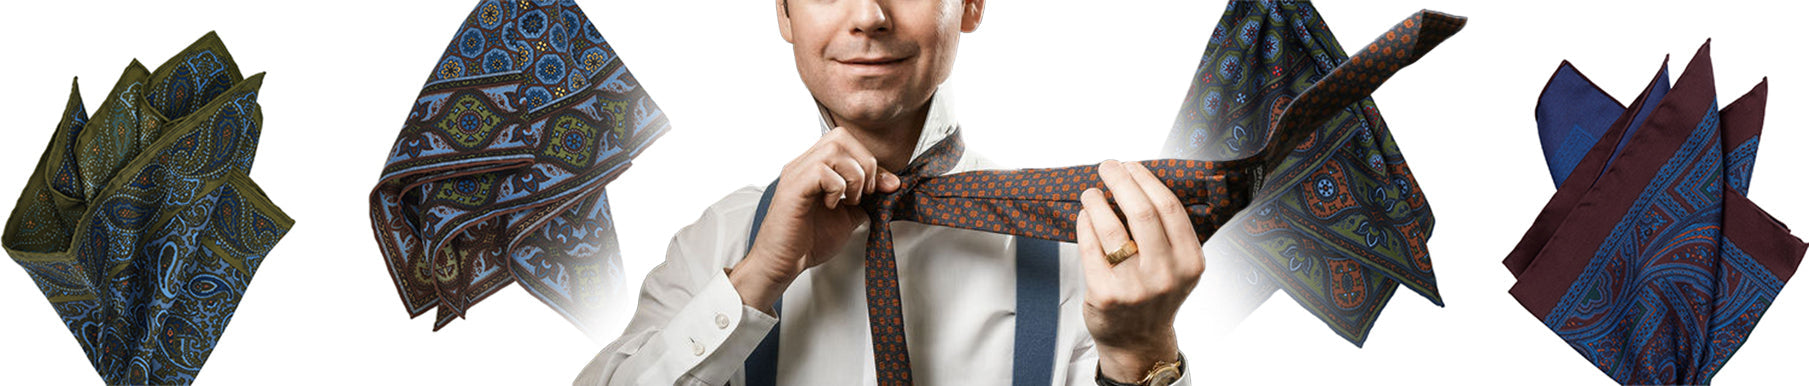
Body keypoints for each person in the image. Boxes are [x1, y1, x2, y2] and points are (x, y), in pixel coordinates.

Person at [577, 1, 1204, 384]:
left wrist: (1140, 355)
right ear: (784, 13)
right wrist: (755, 281)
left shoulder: (1083, 247)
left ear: (972, 4)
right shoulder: (719, 241)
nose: (869, 15)